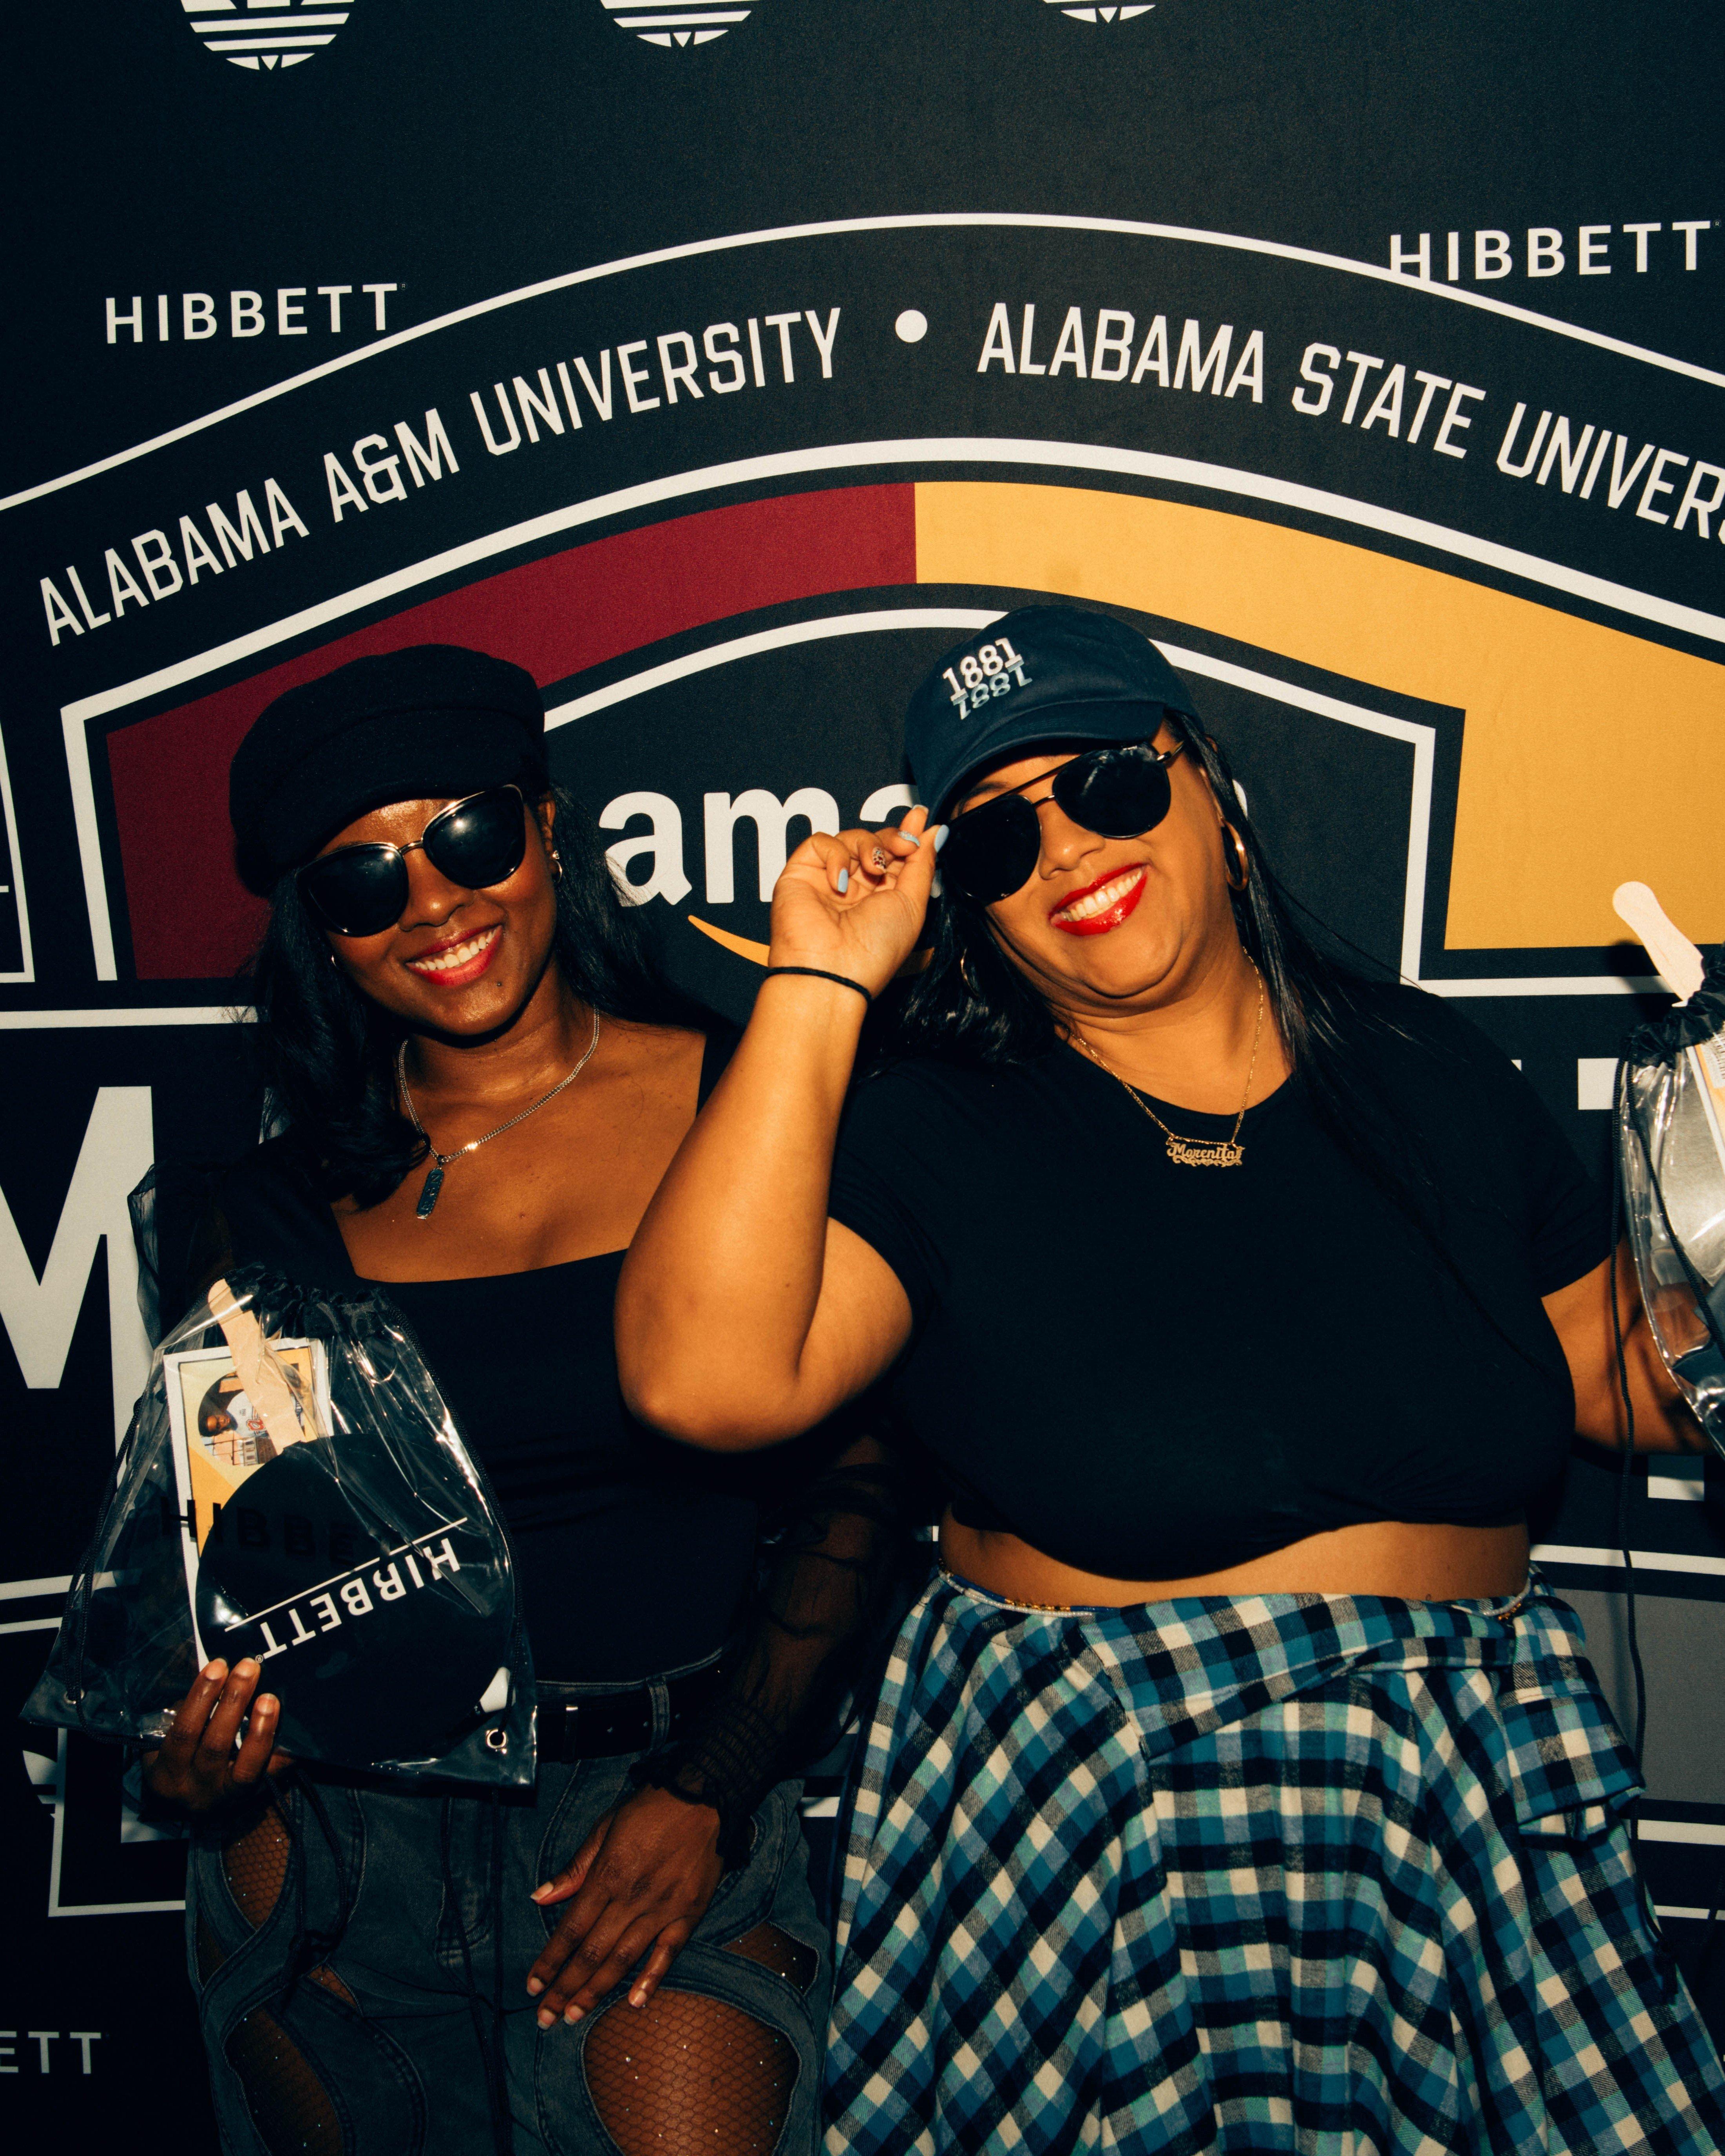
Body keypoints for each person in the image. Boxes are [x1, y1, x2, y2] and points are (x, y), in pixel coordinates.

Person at [614, 606, 1725, 2153]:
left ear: (1209, 787)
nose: (1068, 851)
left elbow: (1643, 1380)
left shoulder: (1433, 1074)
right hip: (1113, 1829)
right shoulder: (939, 1131)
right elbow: (703, 1378)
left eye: (1110, 789)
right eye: (999, 839)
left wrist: (1714, 1237)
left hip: (1466, 1810)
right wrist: (820, 981)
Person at [139, 644, 905, 2156]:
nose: (431, 903)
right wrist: (196, 1762)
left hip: (651, 1814)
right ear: (322, 929)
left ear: (551, 829)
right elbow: (237, 1569)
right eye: (364, 880)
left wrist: (709, 1789)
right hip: (340, 1840)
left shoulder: (747, 1097)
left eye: (469, 837)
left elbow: (864, 1488)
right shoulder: (268, 1204)